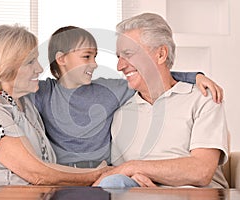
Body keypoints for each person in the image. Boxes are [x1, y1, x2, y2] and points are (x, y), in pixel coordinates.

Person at [0, 26, 223, 169]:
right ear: (62, 59)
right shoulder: (41, 92)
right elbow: (5, 82)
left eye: (96, 57)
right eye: (87, 57)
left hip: (104, 176)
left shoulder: (111, 89)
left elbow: (152, 75)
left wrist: (194, 75)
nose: (94, 64)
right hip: (63, 177)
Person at [0, 24, 109, 185]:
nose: (40, 69)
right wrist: (101, 173)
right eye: (30, 62)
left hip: (20, 192)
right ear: (7, 65)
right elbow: (36, 174)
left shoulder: (27, 102)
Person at [95, 13, 229, 188]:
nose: (120, 66)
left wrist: (133, 167)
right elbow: (121, 176)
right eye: (119, 57)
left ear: (161, 54)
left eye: (128, 54)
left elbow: (201, 171)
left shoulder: (203, 98)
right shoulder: (121, 115)